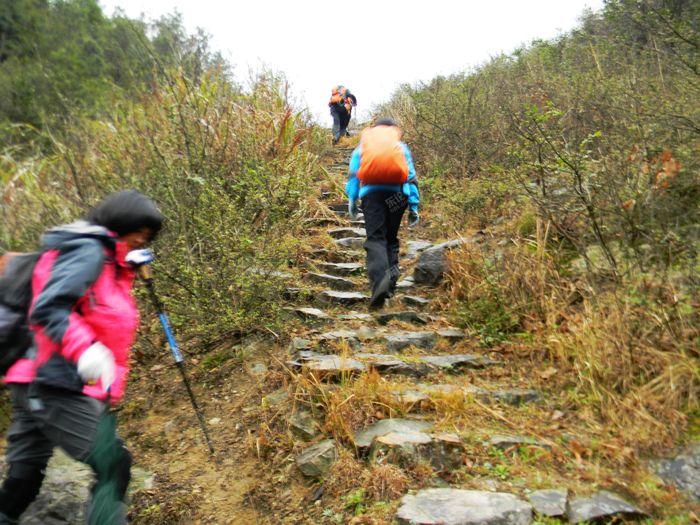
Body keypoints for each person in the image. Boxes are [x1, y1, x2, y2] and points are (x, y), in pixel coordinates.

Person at [0, 190, 164, 525]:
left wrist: (129, 268)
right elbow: (48, 308)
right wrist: (85, 349)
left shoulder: (108, 263)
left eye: (148, 237)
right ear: (121, 223)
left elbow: (100, 315)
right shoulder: (88, 252)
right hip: (56, 380)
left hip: (40, 377)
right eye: (139, 232)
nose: (142, 240)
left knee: (25, 475)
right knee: (113, 465)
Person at [346, 118, 420, 309]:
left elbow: (354, 175)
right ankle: (390, 285)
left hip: (373, 195)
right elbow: (411, 176)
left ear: (375, 129)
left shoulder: (364, 145)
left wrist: (353, 200)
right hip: (398, 195)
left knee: (376, 239)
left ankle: (379, 284)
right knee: (391, 239)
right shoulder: (400, 146)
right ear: (393, 129)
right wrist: (413, 205)